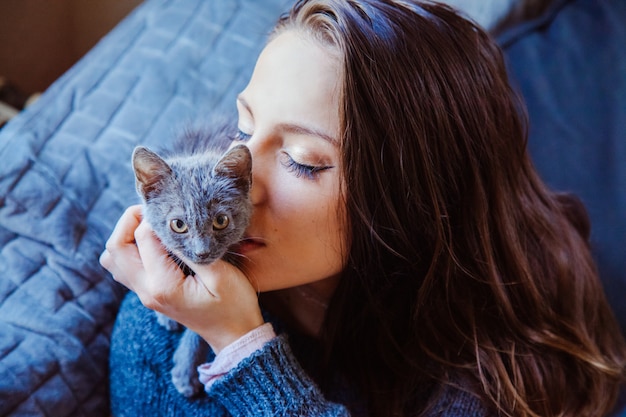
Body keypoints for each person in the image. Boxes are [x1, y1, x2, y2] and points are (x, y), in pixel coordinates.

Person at [100, 0, 626, 416]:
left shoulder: (491, 359)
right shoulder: (163, 318)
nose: (244, 180)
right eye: (244, 128)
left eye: (304, 161)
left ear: (411, 200)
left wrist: (243, 352)